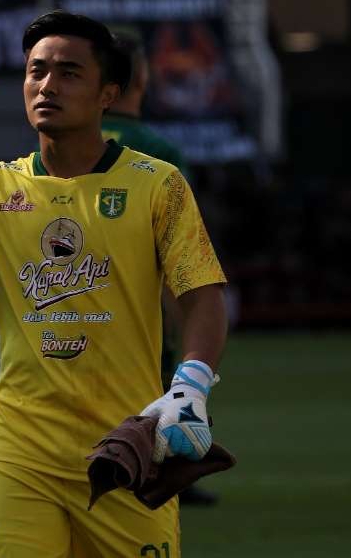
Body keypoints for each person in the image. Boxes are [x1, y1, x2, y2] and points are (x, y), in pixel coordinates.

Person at [0, 11, 228, 557]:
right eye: (36, 71)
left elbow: (203, 295)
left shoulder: (158, 185)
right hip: (20, 456)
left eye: (70, 73)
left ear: (108, 94)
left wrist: (190, 386)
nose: (47, 84)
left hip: (125, 450)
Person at [101, 32, 219, 507]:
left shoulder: (67, 146)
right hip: (143, 301)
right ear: (142, 77)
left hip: (69, 296)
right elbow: (178, 253)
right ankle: (167, 476)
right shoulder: (159, 152)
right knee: (162, 383)